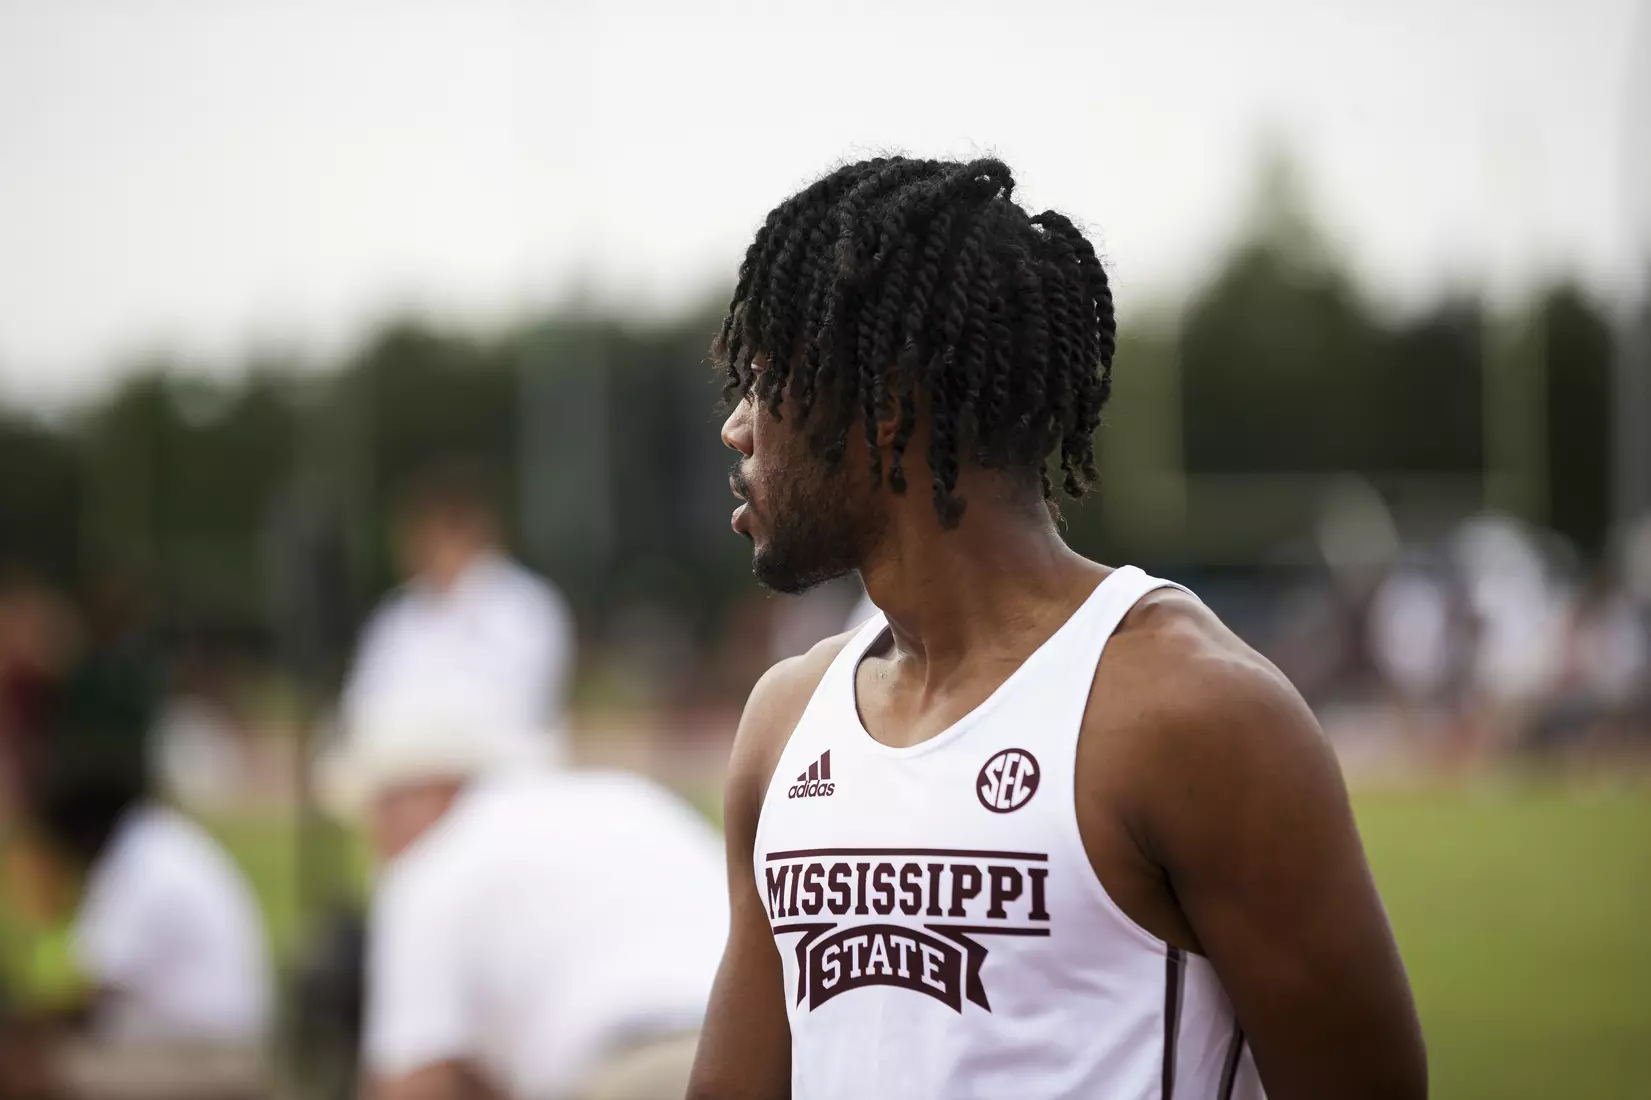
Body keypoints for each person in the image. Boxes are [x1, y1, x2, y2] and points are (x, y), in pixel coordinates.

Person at [688, 157, 1426, 1100]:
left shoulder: (1191, 712)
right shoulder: (785, 726)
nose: (736, 429)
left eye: (762, 381)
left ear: (883, 403)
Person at [323, 695, 729, 1100]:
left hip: (630, 1075)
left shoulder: (431, 864)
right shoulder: (632, 800)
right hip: (765, 1058)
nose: (374, 837)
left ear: (419, 791)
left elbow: (413, 1085)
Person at [1, 756, 273, 1100]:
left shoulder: (139, 865)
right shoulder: (156, 844)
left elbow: (86, 993)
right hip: (203, 1045)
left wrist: (20, 1027)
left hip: (208, 1057)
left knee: (25, 1072)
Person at [342, 462, 576, 759]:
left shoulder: (523, 608)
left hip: (494, 769)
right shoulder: (398, 613)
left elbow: (519, 709)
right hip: (405, 766)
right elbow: (362, 703)